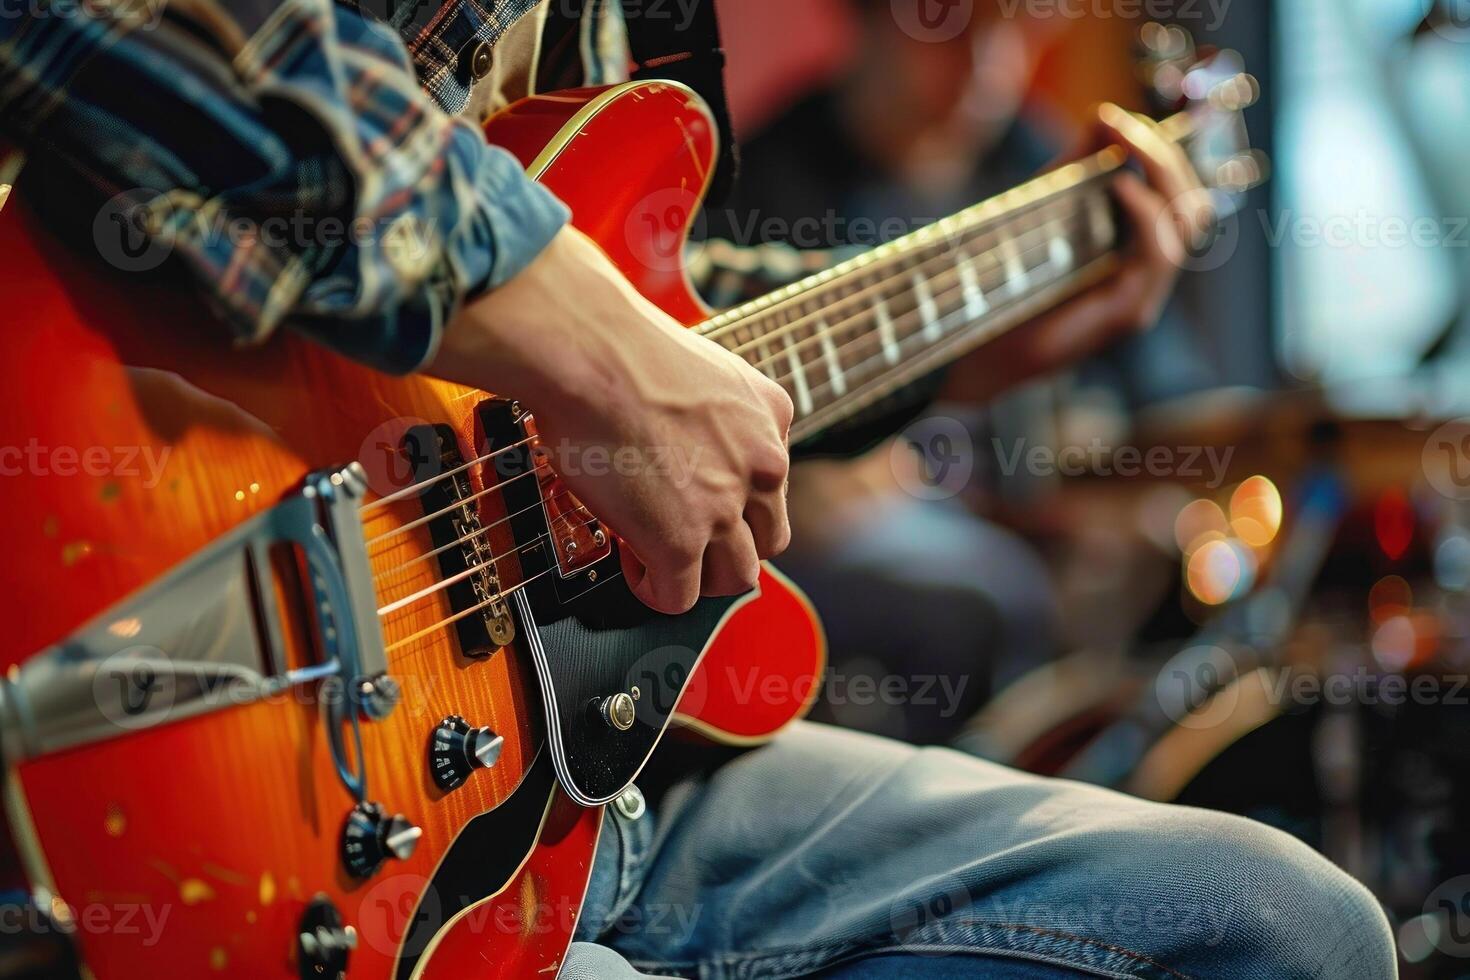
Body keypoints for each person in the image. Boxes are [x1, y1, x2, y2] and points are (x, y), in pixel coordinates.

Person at [0, 1, 1396, 977]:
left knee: (1283, 926)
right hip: (261, 752)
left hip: (584, 772)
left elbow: (660, 314)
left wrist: (968, 351)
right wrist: (581, 344)